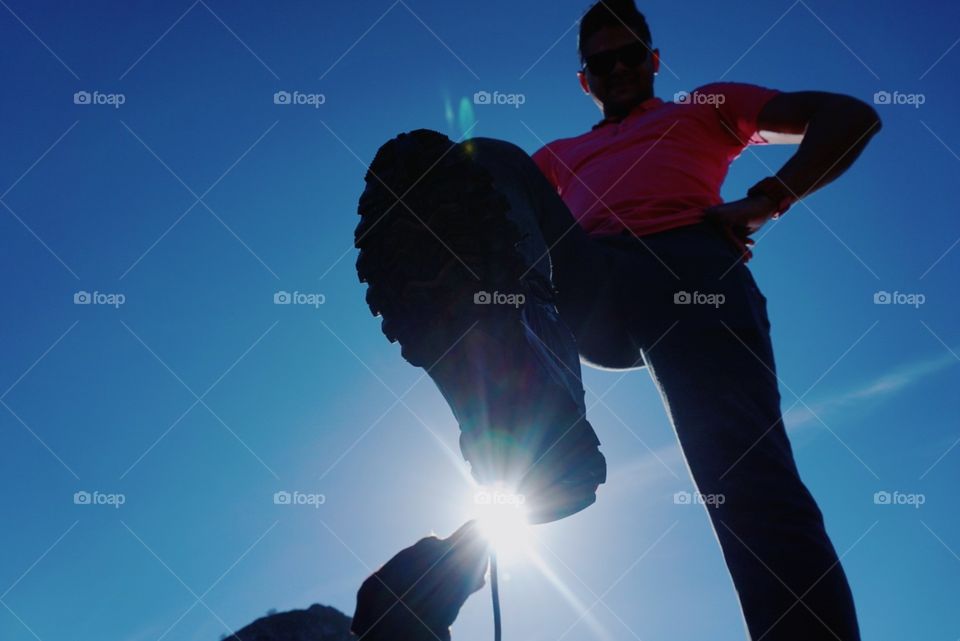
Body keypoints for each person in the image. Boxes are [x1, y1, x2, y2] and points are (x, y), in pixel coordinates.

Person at [354, 0, 881, 638]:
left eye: (631, 55)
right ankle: (539, 428)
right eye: (602, 63)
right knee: (480, 160)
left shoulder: (706, 107)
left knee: (745, 481)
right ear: (586, 80)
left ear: (654, 61)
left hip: (691, 271)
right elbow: (492, 222)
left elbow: (848, 117)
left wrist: (768, 200)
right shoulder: (558, 156)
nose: (619, 69)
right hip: (593, 280)